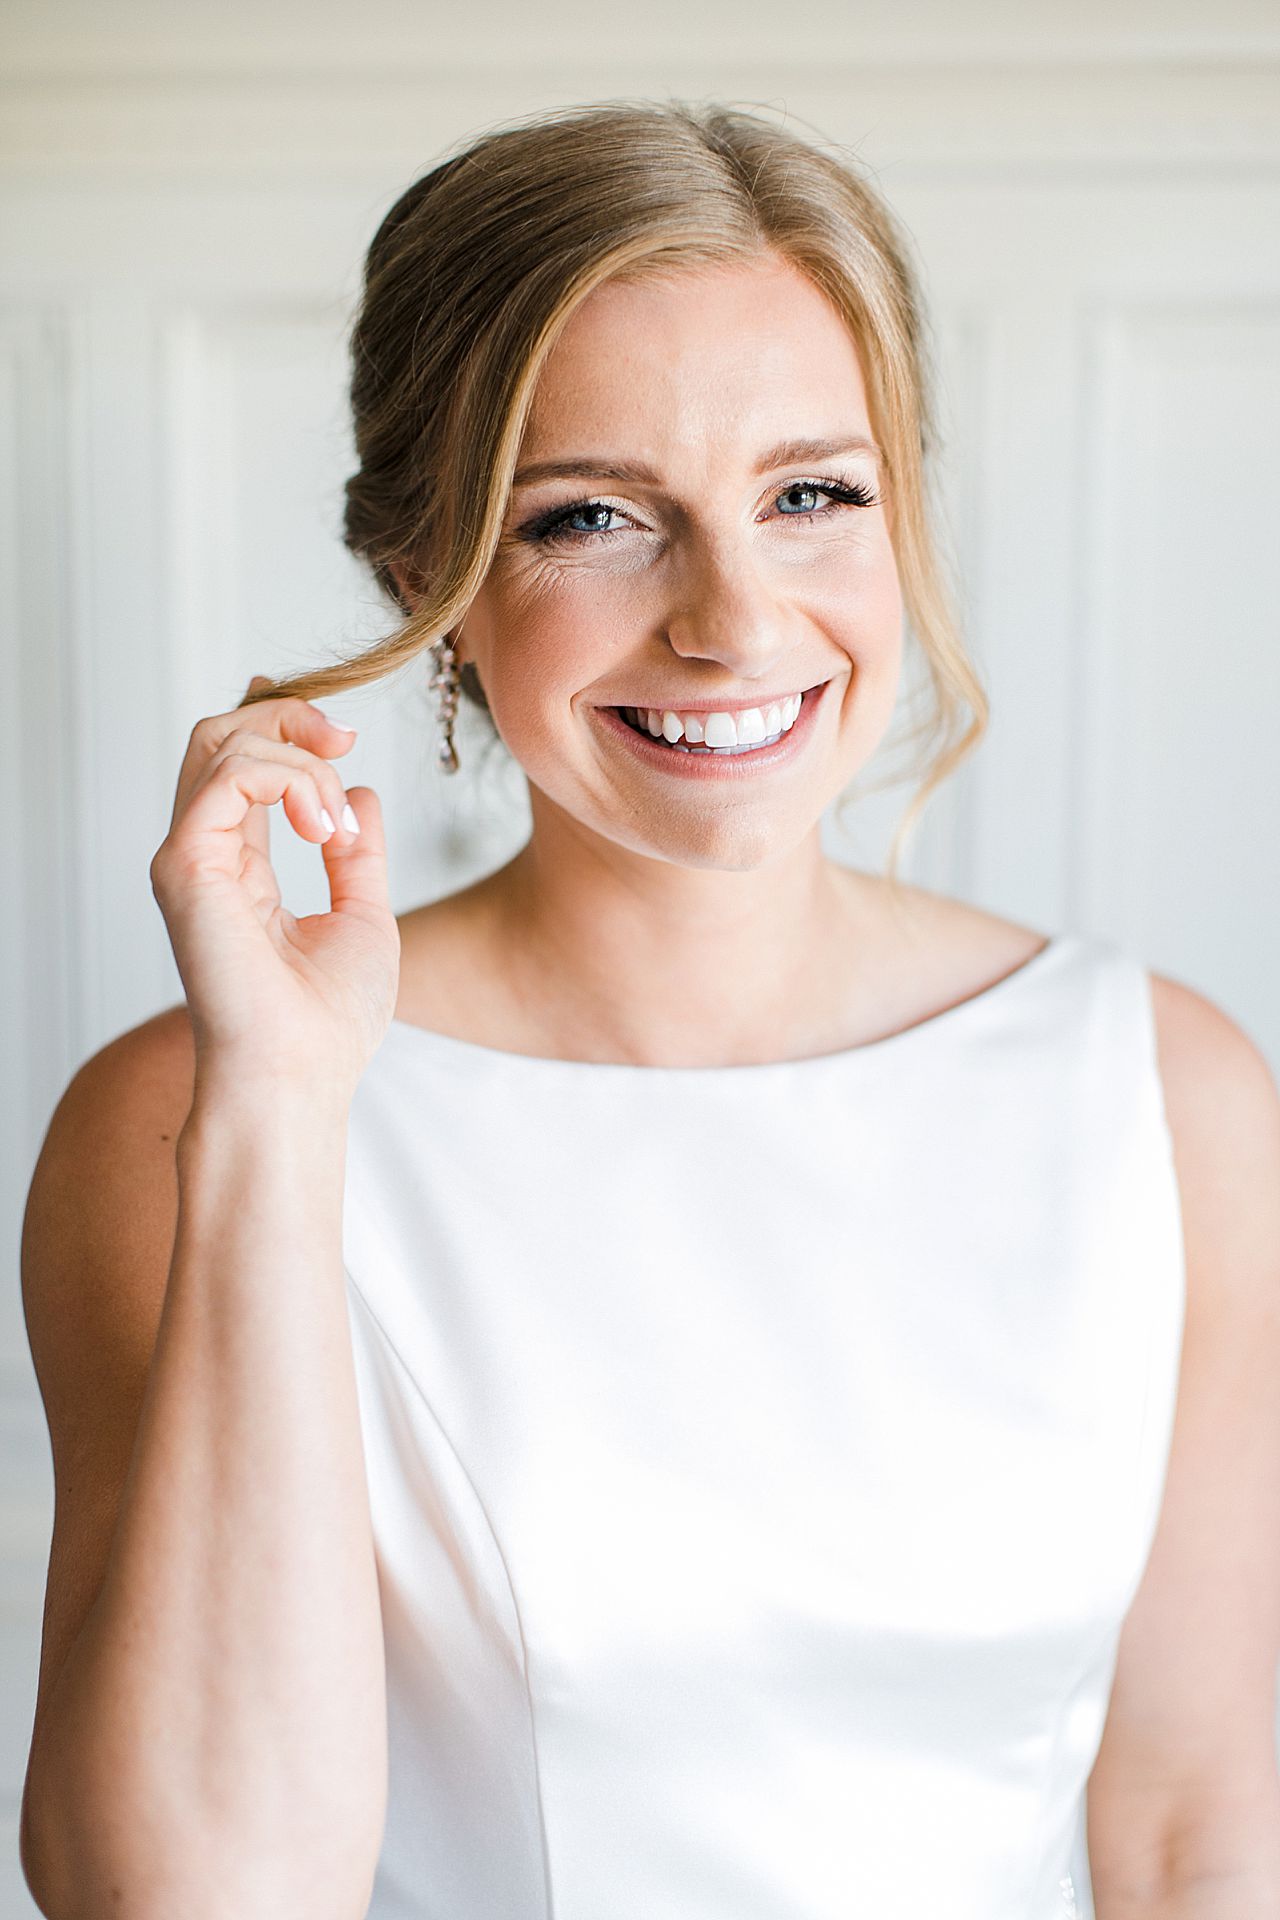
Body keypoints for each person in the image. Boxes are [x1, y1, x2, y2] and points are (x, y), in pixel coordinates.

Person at [18, 99, 1280, 1920]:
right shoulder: (187, 1121)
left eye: (812, 494)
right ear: (425, 575)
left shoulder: (1170, 1098)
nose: (734, 622)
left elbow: (1195, 1840)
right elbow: (187, 1890)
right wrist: (280, 1118)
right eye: (595, 517)